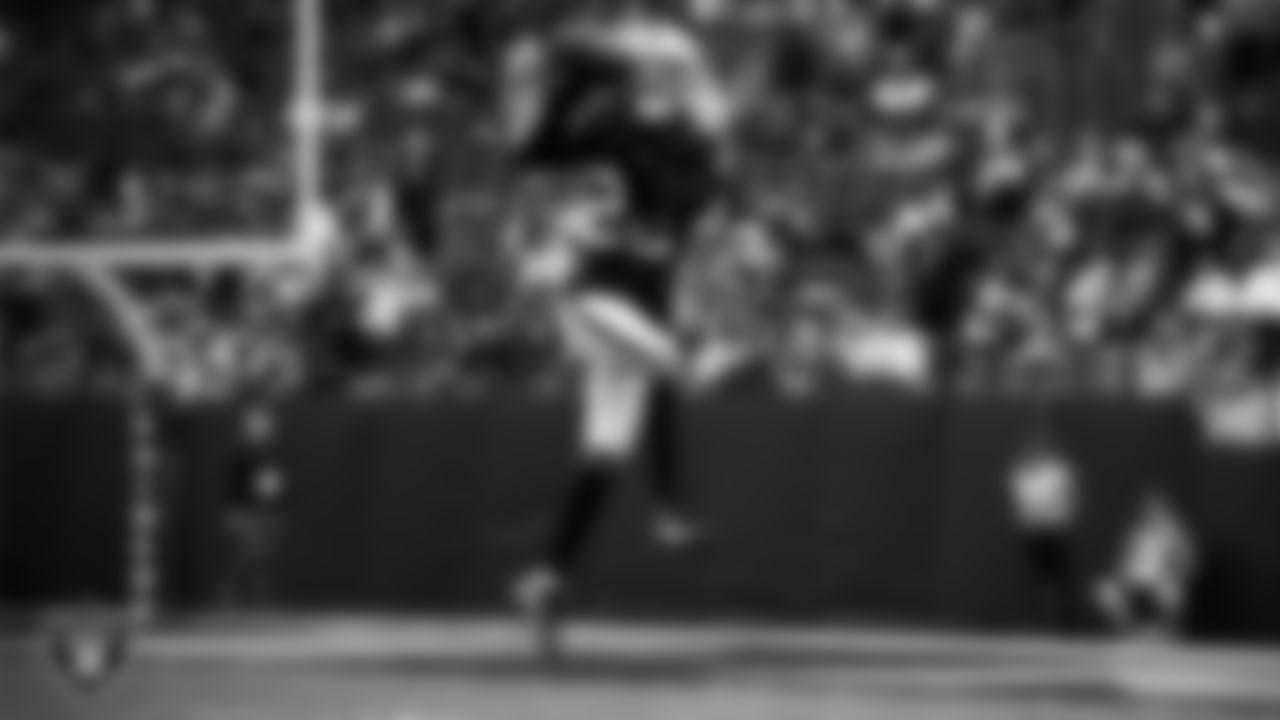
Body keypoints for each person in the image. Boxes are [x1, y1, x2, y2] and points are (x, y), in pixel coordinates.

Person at [499, 1, 739, 659]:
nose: (661, 81)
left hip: (630, 314)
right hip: (595, 298)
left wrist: (588, 75)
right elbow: (535, 147)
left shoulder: (670, 147)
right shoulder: (630, 133)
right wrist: (577, 79)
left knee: (603, 455)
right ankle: (666, 507)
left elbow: (686, 176)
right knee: (681, 364)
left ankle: (546, 578)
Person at [1095, 492, 1199, 640]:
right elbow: (1123, 563)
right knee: (1103, 589)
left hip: (1161, 583)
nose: (1152, 512)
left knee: (1173, 591)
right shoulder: (1135, 534)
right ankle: (1128, 629)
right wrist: (1121, 580)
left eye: (1157, 508)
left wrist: (1175, 570)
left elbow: (1190, 561)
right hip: (1134, 583)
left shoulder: (1176, 533)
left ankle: (1166, 630)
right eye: (1148, 509)